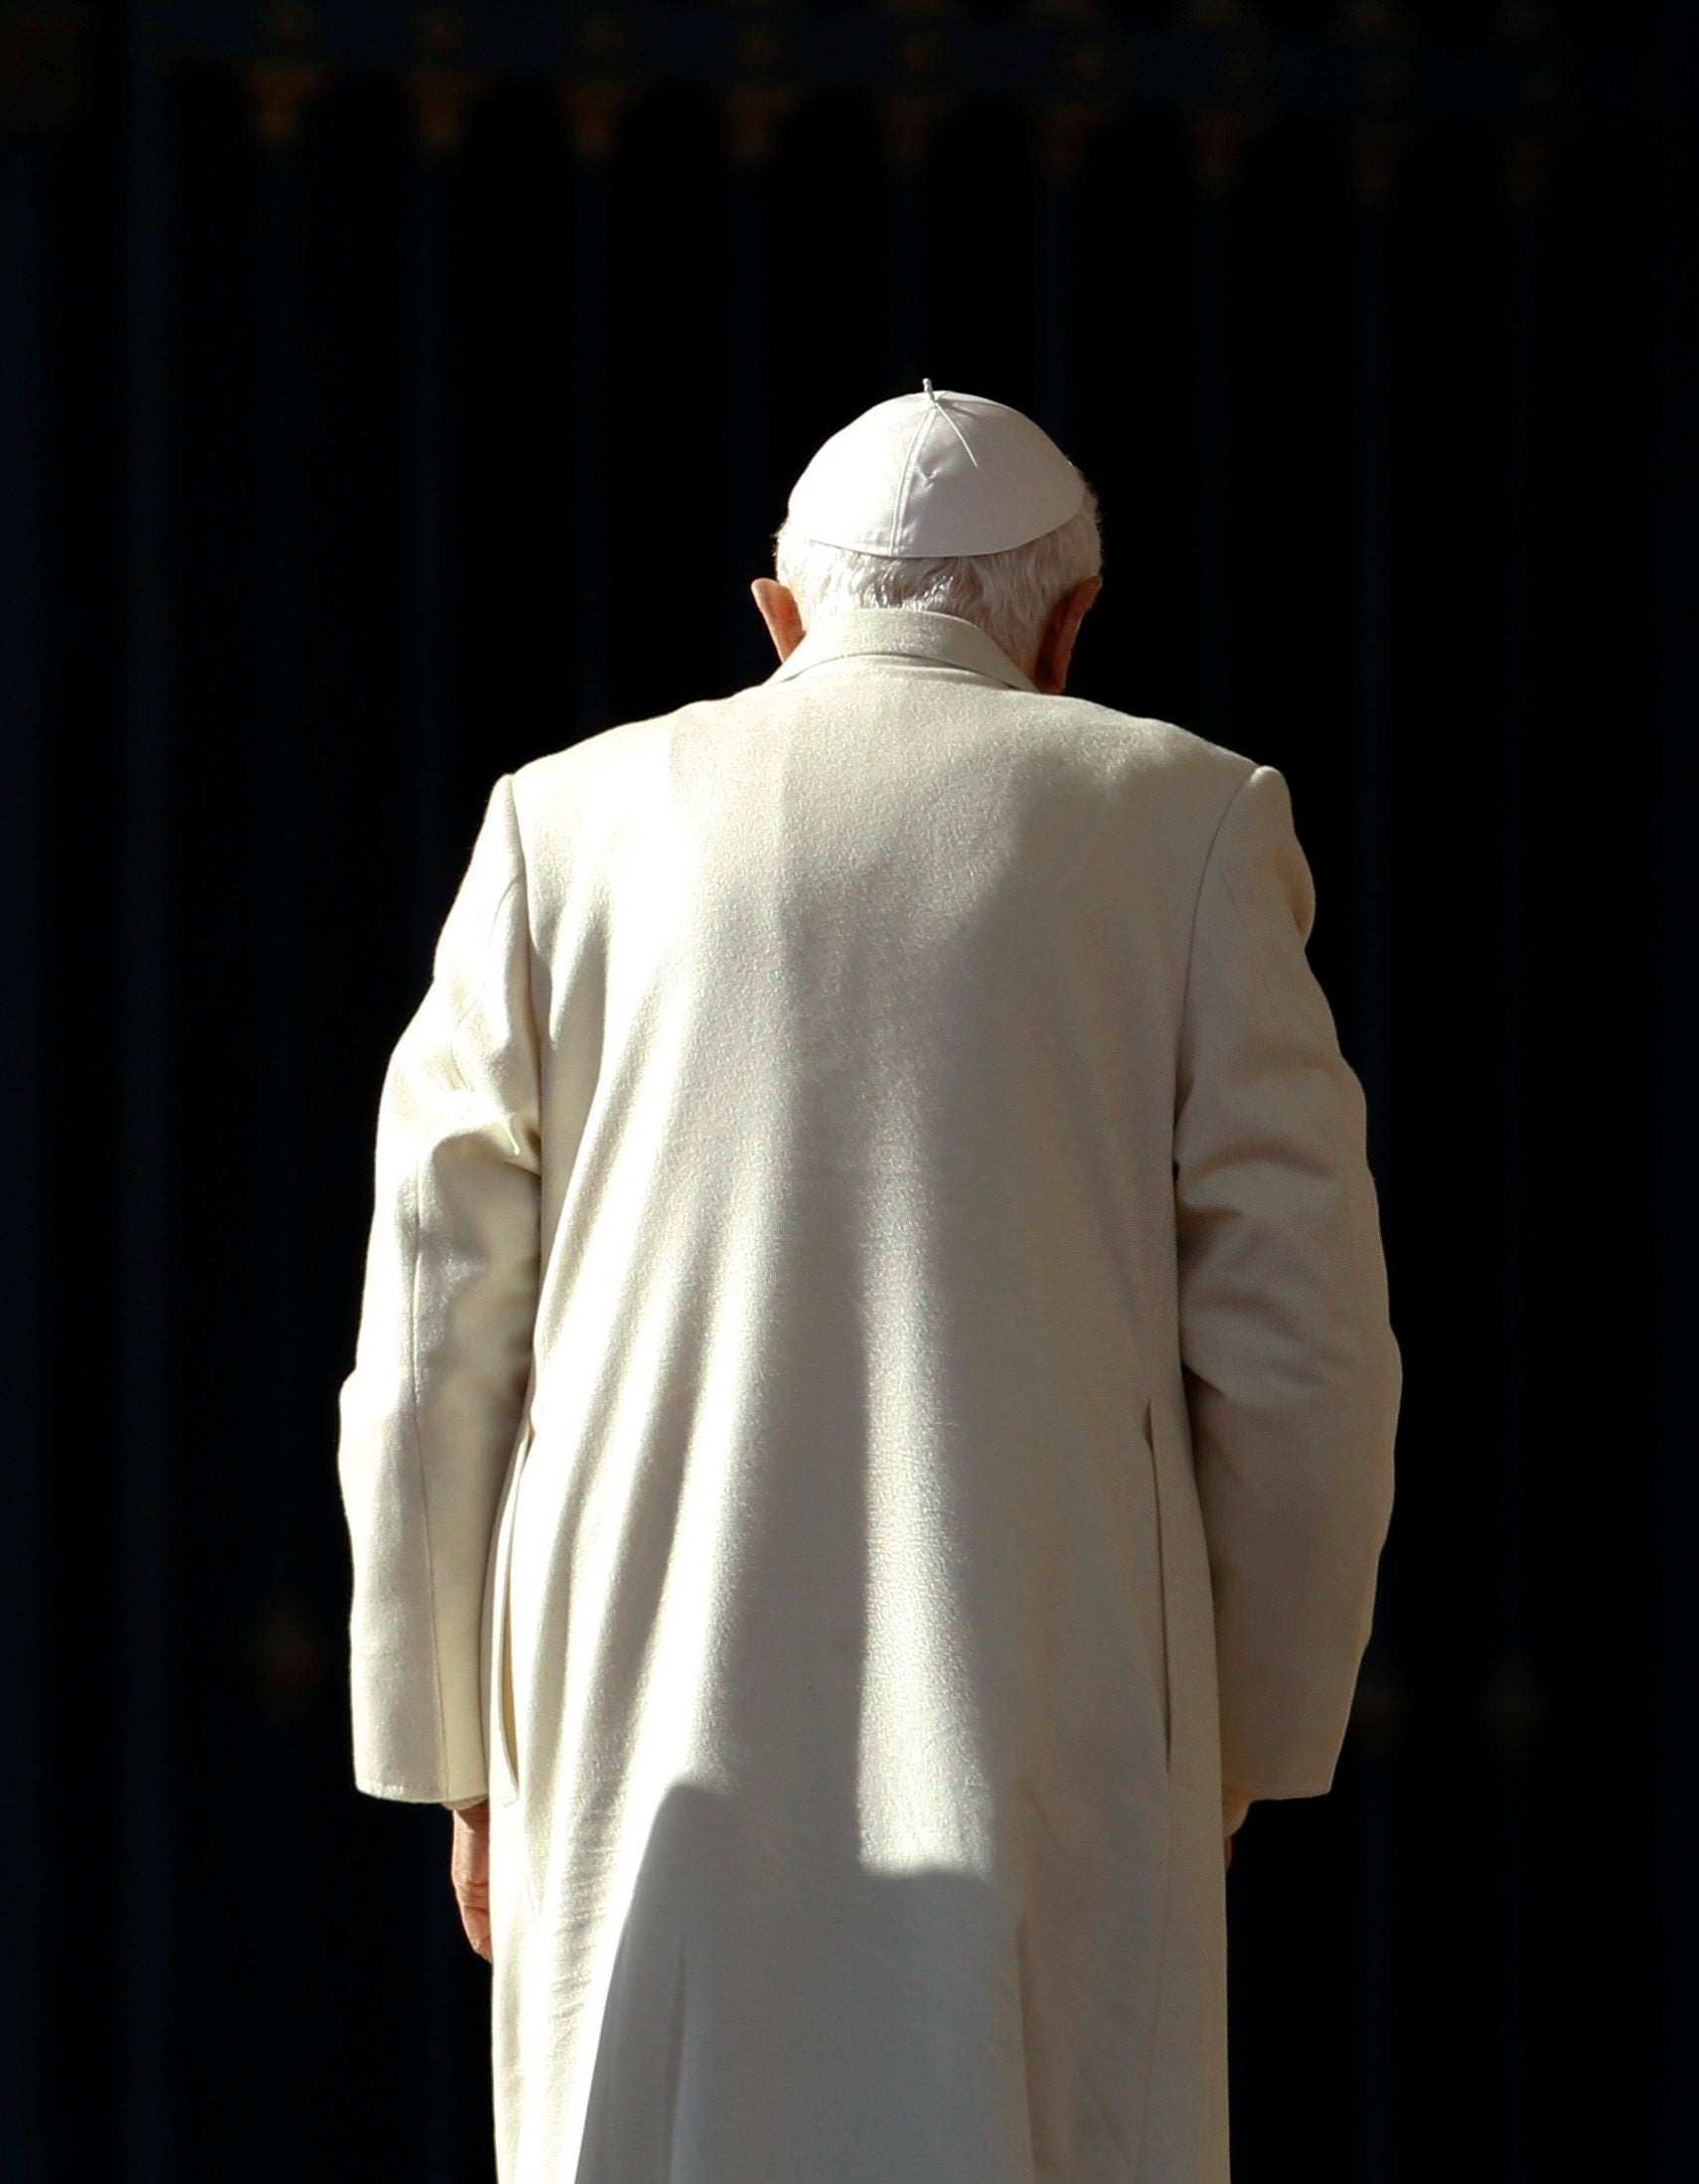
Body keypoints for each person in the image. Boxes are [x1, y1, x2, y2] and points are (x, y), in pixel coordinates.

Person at [333, 386, 1401, 2181]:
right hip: (1044, 1692)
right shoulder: (1191, 819)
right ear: (1072, 629)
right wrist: (1238, 1738)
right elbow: (1304, 1351)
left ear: (778, 613)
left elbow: (435, 1332)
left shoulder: (560, 825)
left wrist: (458, 1750)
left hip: (633, 1703)